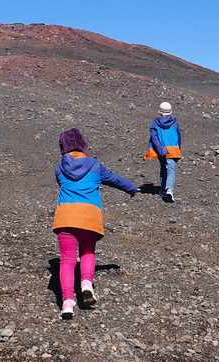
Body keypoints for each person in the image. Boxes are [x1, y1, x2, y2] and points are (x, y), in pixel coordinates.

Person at [52, 128, 137, 319]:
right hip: (89, 217)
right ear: (83, 144)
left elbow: (62, 184)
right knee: (88, 252)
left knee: (67, 260)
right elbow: (114, 179)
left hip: (65, 217)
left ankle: (67, 302)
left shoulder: (59, 168)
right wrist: (131, 188)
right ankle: (86, 284)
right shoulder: (96, 166)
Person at [143, 102, 182, 202]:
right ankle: (169, 191)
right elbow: (178, 137)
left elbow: (154, 138)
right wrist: (179, 149)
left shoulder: (155, 123)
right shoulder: (175, 123)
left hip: (161, 151)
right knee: (171, 170)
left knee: (164, 169)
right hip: (173, 150)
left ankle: (163, 190)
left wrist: (160, 150)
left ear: (160, 112)